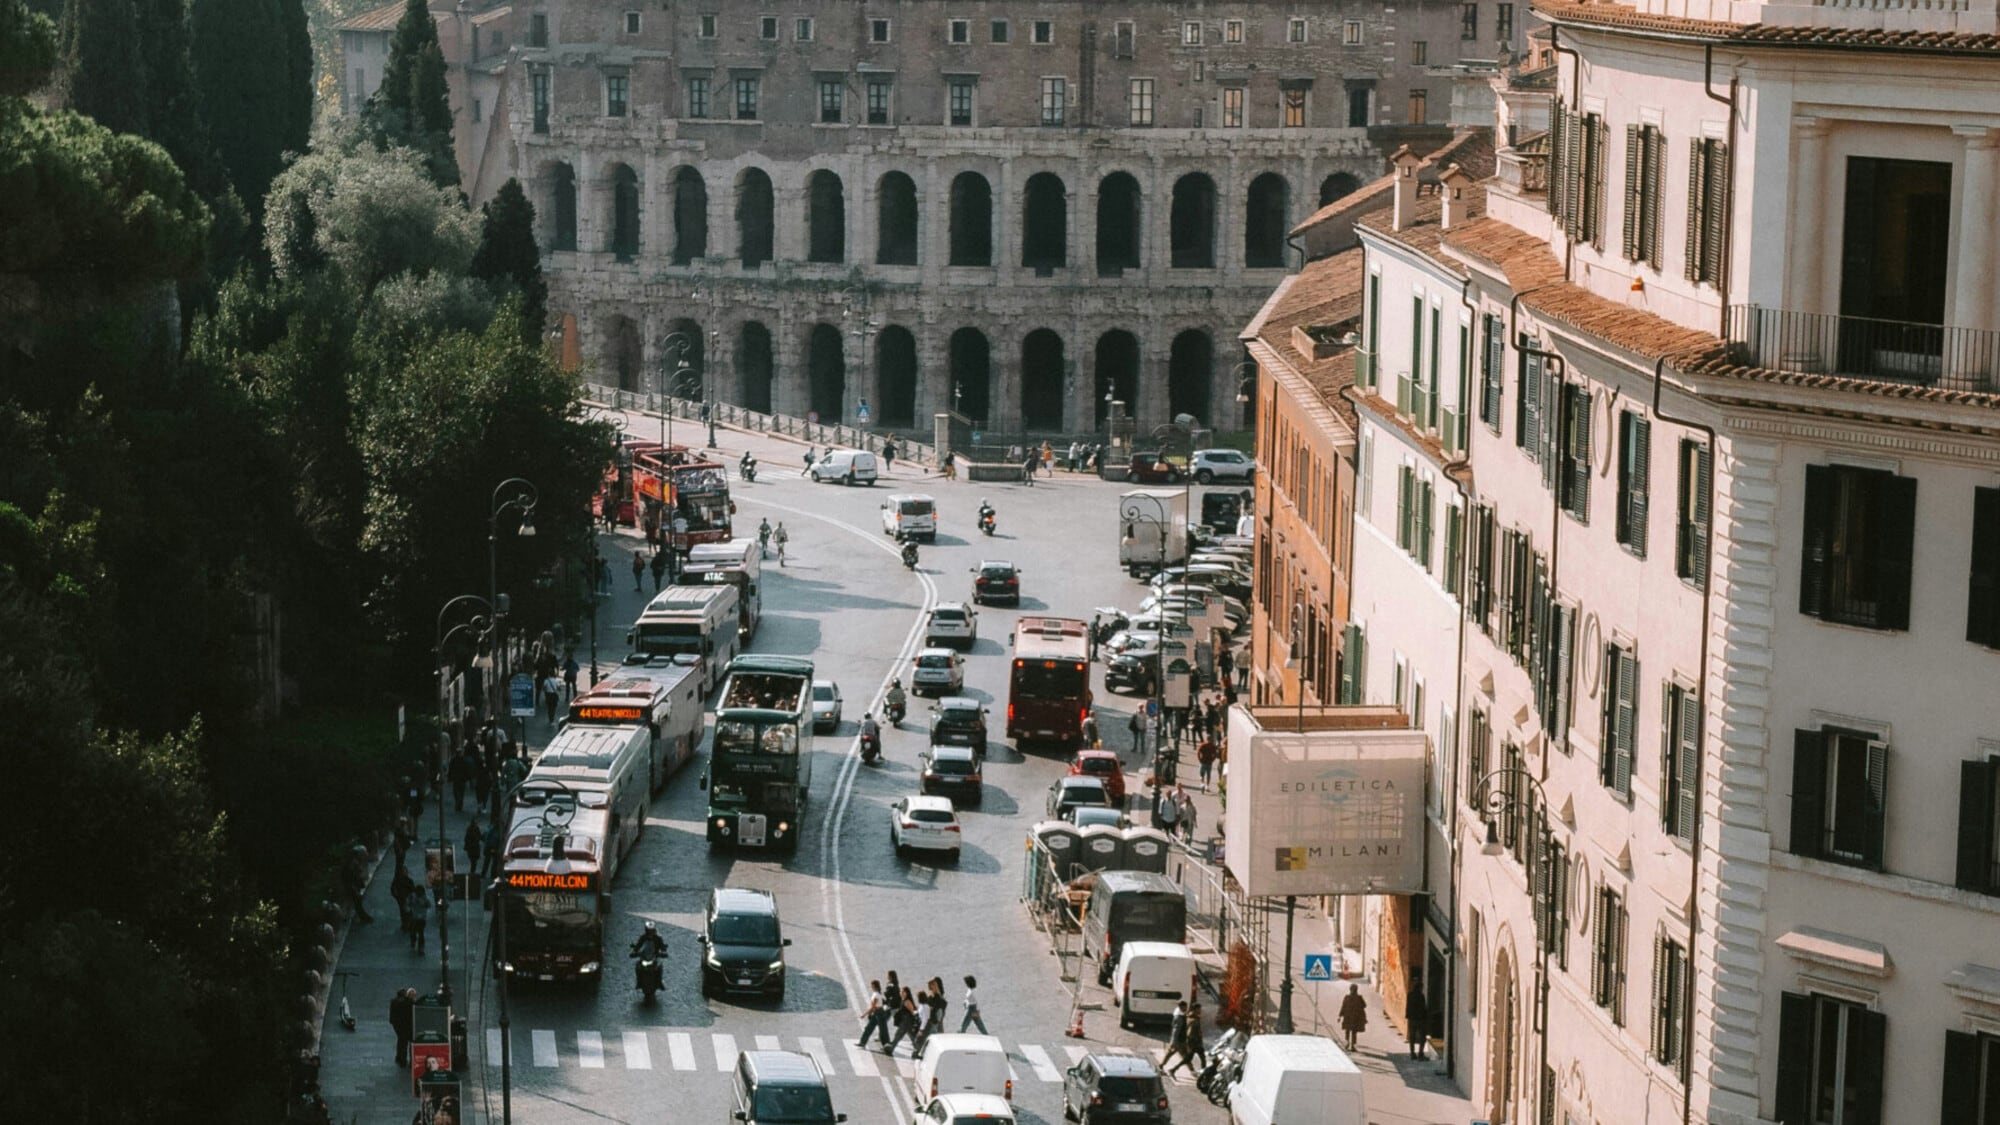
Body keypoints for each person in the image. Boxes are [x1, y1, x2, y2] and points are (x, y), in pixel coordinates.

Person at [1160, 1001, 1191, 1075]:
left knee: (1185, 1056)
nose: (1186, 1008)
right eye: (1185, 1007)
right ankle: (1161, 1066)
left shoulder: (1180, 1015)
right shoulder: (1179, 1018)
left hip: (1181, 1040)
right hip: (1179, 1041)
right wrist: (1173, 1042)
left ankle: (1191, 1069)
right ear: (1181, 1007)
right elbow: (1175, 1031)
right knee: (1184, 1056)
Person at [858, 980, 892, 1048]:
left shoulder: (876, 995)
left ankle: (886, 1044)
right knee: (869, 1028)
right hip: (877, 1013)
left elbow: (873, 1007)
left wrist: (864, 1014)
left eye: (872, 985)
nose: (871, 986)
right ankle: (862, 1042)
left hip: (879, 1013)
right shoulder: (878, 993)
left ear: (874, 986)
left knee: (883, 1030)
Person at [389, 987, 417, 1067]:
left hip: (397, 1025)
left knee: (401, 1041)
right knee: (409, 1042)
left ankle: (399, 1058)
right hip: (407, 1026)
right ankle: (406, 1060)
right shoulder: (410, 1003)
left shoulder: (394, 1001)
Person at [1338, 983, 1368, 1052]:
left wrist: (1340, 1016)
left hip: (1347, 1017)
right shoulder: (1359, 998)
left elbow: (1343, 1007)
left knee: (1347, 1031)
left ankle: (1347, 1043)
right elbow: (1364, 1005)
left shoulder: (1347, 997)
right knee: (1354, 1032)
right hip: (1355, 1018)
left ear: (1350, 989)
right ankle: (1353, 1046)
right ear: (1356, 990)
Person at [1405, 978, 1430, 1059]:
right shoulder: (1421, 996)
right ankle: (1420, 1054)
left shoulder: (1410, 995)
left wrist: (1407, 1016)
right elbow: (1423, 1008)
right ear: (1419, 988)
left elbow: (1408, 1007)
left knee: (1412, 1037)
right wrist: (1426, 1017)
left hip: (1412, 1018)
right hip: (1420, 1019)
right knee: (1422, 1037)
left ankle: (1412, 1053)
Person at [1183, 999, 1209, 1071]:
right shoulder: (1194, 1019)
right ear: (1195, 1009)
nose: (1200, 1010)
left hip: (1193, 1041)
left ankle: (1174, 1069)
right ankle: (1203, 1073)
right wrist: (1198, 1038)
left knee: (1189, 1058)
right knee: (1203, 1059)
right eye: (1199, 1009)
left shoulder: (1190, 1016)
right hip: (1195, 1042)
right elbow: (1191, 1032)